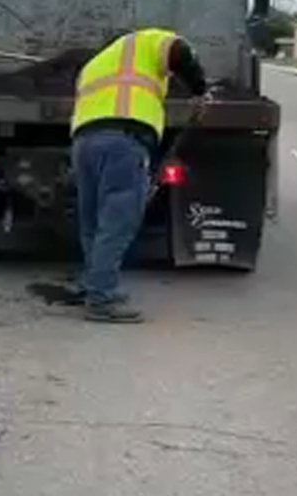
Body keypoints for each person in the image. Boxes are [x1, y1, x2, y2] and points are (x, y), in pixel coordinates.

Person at [67, 28, 213, 323]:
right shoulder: (146, 41)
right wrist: (199, 89)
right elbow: (179, 51)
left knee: (93, 219)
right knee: (118, 219)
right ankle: (101, 299)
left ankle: (92, 284)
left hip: (84, 142)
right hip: (123, 140)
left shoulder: (95, 64)